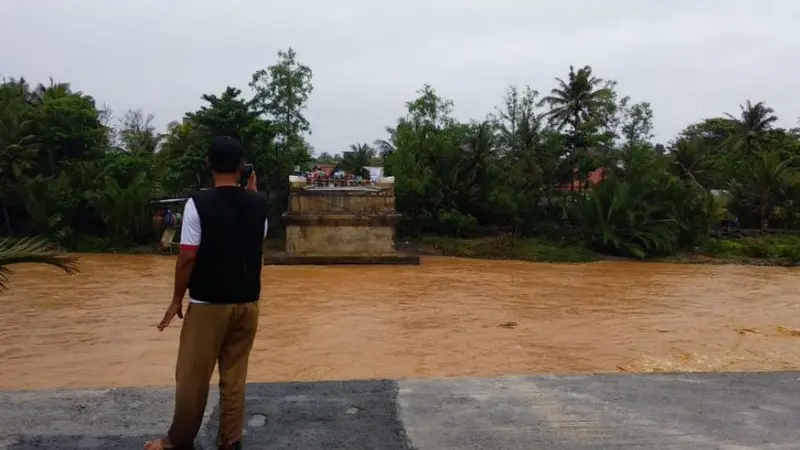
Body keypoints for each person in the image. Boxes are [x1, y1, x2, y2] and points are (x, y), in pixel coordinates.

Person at [145, 136, 269, 450]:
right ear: (242, 167)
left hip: (208, 306)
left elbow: (187, 255)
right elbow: (257, 241)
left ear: (208, 165)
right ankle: (230, 440)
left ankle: (178, 440)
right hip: (247, 304)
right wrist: (252, 196)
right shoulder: (259, 204)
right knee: (234, 377)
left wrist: (176, 299)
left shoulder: (197, 203)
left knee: (192, 377)